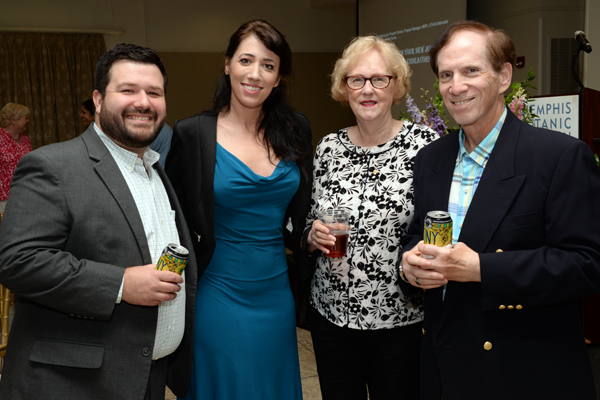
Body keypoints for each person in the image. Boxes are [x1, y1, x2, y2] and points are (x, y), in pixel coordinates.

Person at [399, 21, 600, 400]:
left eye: (471, 71)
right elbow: (416, 235)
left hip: (523, 374)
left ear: (504, 76)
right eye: (446, 74)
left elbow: (586, 264)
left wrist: (481, 269)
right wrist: (408, 264)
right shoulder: (431, 159)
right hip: (444, 369)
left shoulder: (558, 157)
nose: (456, 87)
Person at [0, 43, 197, 400]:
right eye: (128, 90)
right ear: (98, 99)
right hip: (72, 385)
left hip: (146, 379)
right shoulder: (53, 166)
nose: (143, 102)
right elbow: (18, 262)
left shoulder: (155, 172)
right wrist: (120, 284)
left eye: (154, 92)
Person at [166, 20, 312, 399]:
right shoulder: (193, 133)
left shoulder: (296, 129)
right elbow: (172, 217)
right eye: (246, 60)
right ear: (227, 64)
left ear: (279, 78)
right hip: (218, 293)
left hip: (277, 293)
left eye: (268, 65)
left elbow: (304, 210)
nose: (255, 73)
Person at [304, 36, 438, 400]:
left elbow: (440, 227)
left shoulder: (424, 145)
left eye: (380, 79)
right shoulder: (329, 148)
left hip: (399, 319)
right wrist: (312, 235)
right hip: (331, 316)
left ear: (397, 87)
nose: (368, 89)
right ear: (343, 88)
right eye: (357, 79)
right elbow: (309, 218)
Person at [0, 103, 33, 213]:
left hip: (26, 193)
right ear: (13, 120)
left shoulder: (25, 139)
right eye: (25, 118)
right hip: (4, 198)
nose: (28, 121)